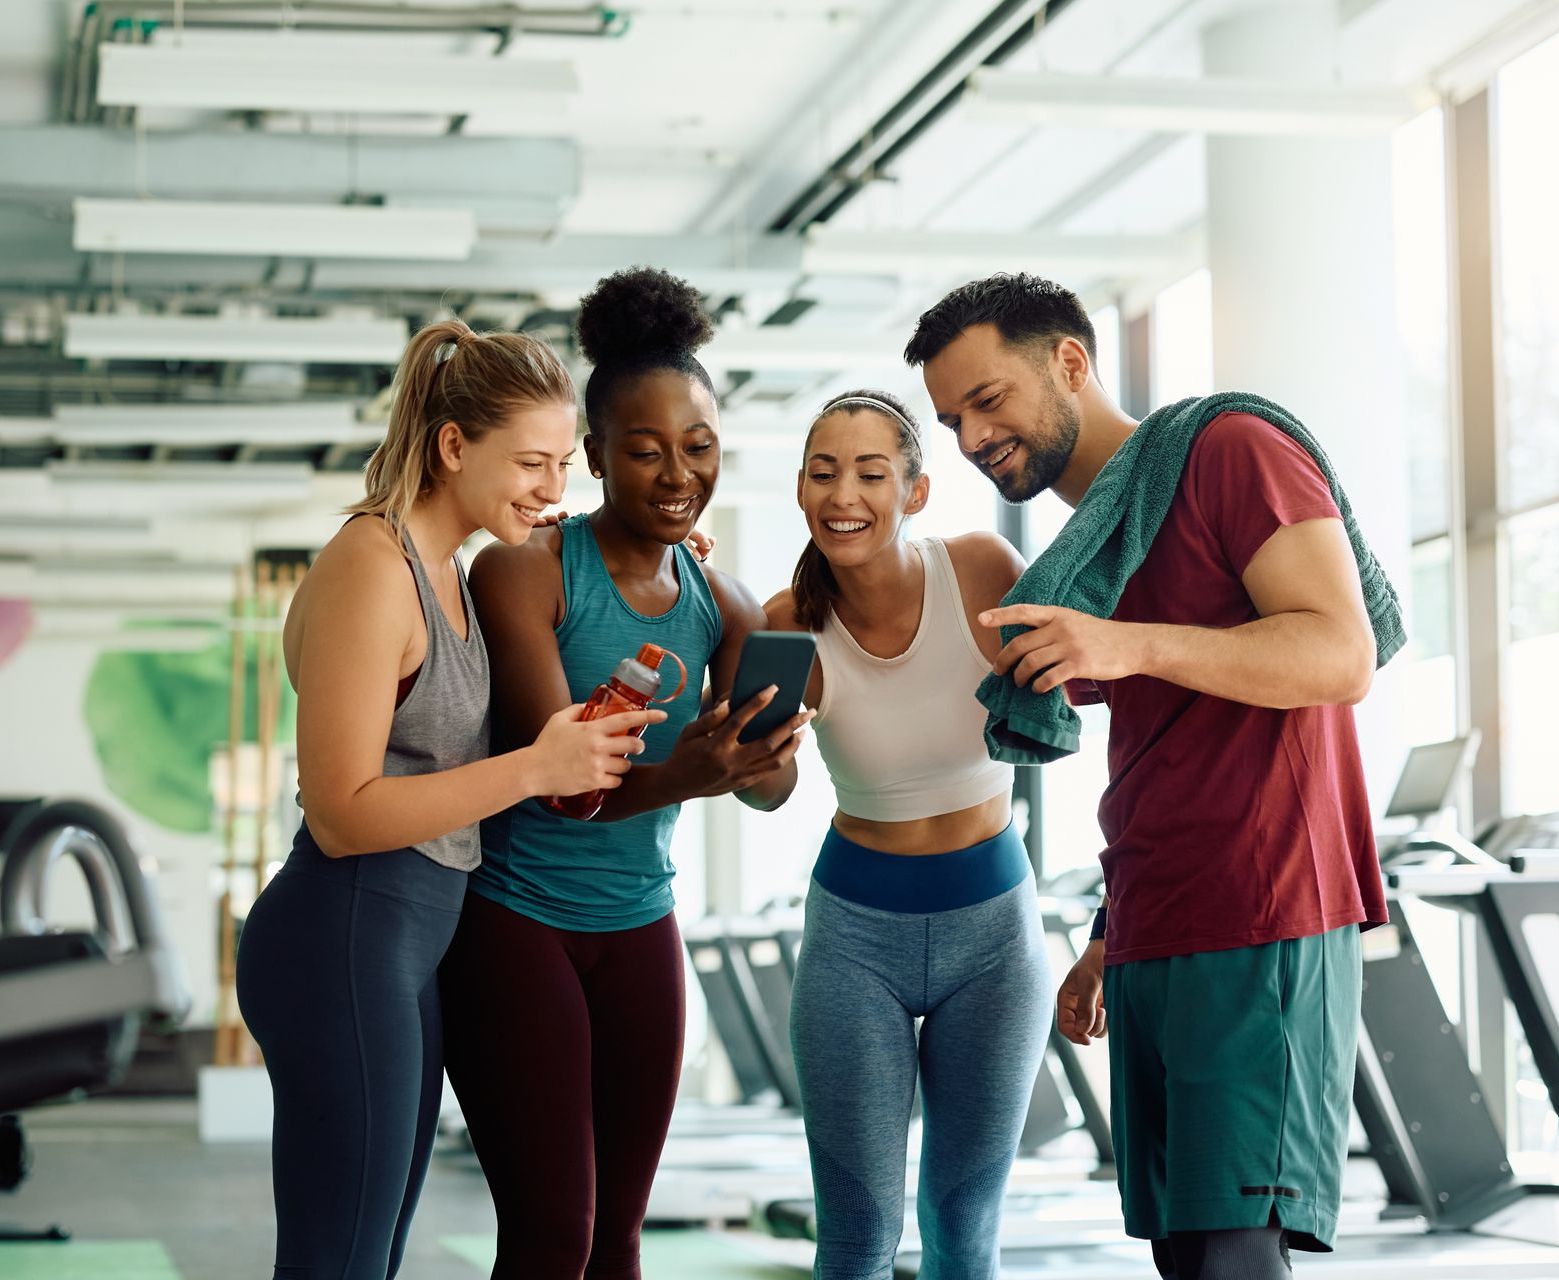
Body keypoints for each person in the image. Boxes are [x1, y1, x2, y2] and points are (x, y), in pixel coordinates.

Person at [904, 274, 1399, 1280]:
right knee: (1182, 1251)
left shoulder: (1228, 450)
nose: (970, 436)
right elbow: (1166, 751)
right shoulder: (1104, 540)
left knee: (1229, 1253)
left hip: (1263, 907)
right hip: (1157, 917)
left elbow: (1337, 651)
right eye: (952, 418)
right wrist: (1105, 934)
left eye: (988, 399)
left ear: (1070, 364)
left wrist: (1122, 644)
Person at [235, 319, 665, 1280]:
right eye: (532, 463)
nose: (554, 489)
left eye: (563, 465)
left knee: (371, 1257)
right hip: (343, 930)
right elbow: (342, 811)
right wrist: (533, 769)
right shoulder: (371, 568)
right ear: (453, 446)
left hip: (407, 942)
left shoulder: (454, 572)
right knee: (337, 1261)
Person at [438, 267, 809, 1280]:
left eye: (698, 448)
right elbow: (554, 773)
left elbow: (763, 787)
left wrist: (769, 746)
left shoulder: (723, 601)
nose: (676, 473)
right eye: (643, 450)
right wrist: (688, 773)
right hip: (515, 924)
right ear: (592, 455)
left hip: (639, 924)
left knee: (617, 1242)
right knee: (551, 1235)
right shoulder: (521, 569)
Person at [759, 388, 1051, 1280]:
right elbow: (767, 794)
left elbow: (1055, 703)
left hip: (994, 932)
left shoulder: (980, 568)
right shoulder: (784, 623)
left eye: (870, 473)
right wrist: (747, 747)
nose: (844, 493)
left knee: (964, 1222)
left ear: (914, 491)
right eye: (823, 473)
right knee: (856, 1232)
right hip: (854, 938)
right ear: (802, 492)